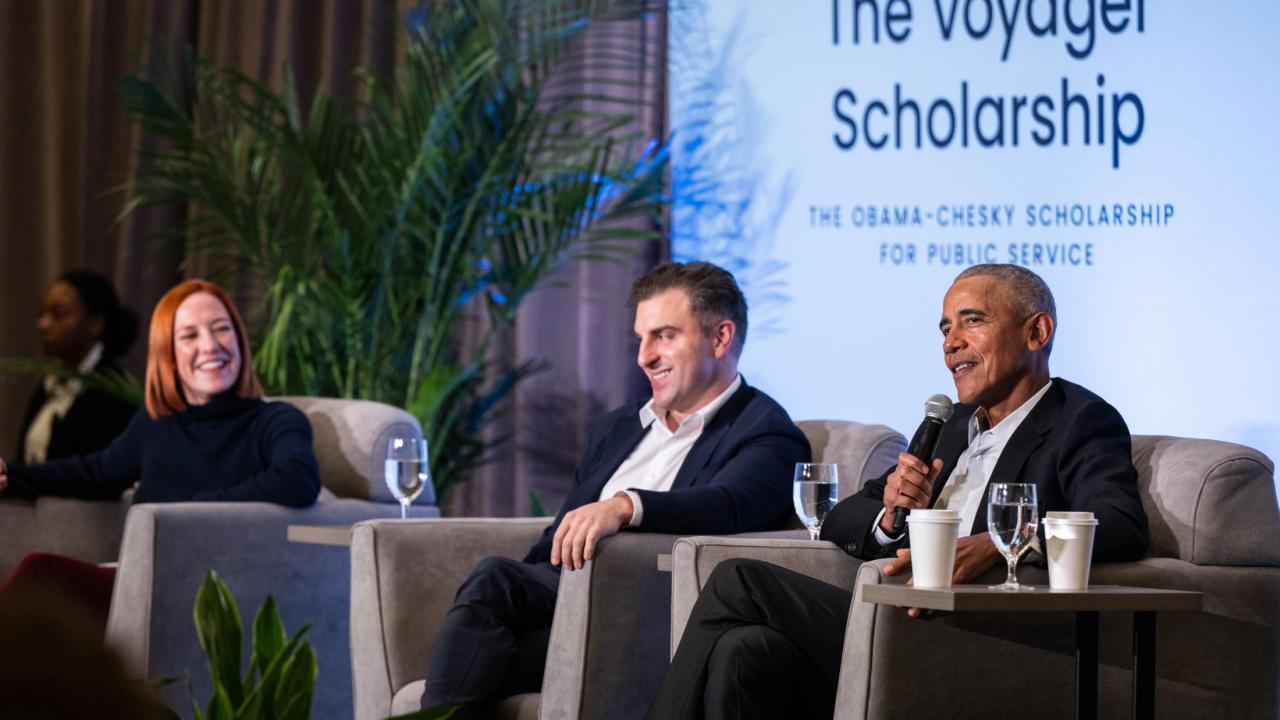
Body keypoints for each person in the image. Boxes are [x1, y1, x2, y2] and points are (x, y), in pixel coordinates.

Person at [645, 263, 1150, 720]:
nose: (951, 343)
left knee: (738, 579)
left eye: (972, 321)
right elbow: (845, 516)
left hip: (979, 633)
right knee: (744, 650)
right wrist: (889, 517)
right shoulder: (951, 426)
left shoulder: (1079, 419)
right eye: (945, 329)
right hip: (894, 621)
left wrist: (999, 544)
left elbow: (1120, 525)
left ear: (1036, 332)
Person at [420, 261, 811, 716]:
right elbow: (557, 535)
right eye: (641, 338)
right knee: (488, 622)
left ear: (721, 338)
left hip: (645, 609)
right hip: (566, 596)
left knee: (487, 608)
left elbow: (730, 505)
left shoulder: (767, 433)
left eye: (663, 336)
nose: (644, 356)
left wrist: (625, 506)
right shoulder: (619, 426)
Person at [0, 279, 320, 632]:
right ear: (169, 353)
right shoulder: (157, 422)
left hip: (219, 595)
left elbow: (297, 480)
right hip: (142, 584)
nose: (210, 346)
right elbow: (95, 473)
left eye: (221, 329)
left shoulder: (276, 420)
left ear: (239, 340)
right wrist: (10, 475)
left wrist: (173, 517)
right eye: (190, 335)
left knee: (43, 575)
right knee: (41, 578)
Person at [17, 270, 139, 463]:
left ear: (95, 324)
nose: (43, 324)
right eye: (42, 313)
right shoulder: (49, 385)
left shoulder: (114, 392)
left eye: (57, 314)